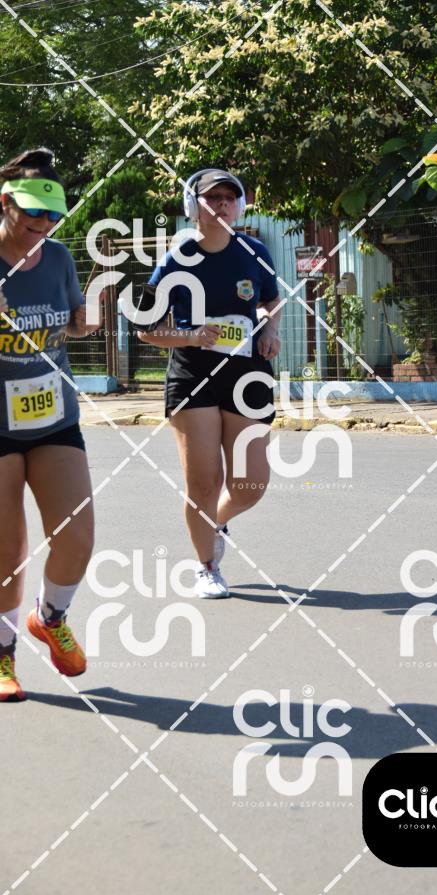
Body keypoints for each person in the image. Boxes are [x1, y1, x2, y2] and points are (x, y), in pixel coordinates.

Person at [136, 168, 281, 598]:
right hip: (193, 375)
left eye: (229, 198)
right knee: (203, 481)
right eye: (211, 197)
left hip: (247, 374)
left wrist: (269, 329)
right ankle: (206, 567)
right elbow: (146, 329)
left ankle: (215, 522)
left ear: (239, 206)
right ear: (192, 206)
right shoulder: (175, 258)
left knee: (250, 485)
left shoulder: (254, 251)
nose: (221, 204)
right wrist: (191, 336)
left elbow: (271, 300)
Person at [0, 148, 99, 702]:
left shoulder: (58, 259)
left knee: (77, 539)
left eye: (53, 216)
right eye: (34, 213)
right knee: (6, 551)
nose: (44, 224)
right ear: (6, 203)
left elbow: (69, 324)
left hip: (54, 417)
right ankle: (3, 654)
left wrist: (84, 322)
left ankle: (50, 616)